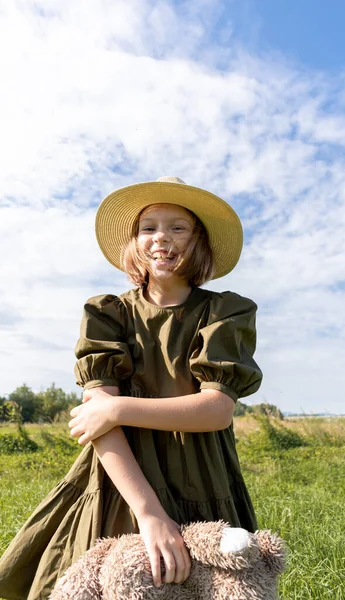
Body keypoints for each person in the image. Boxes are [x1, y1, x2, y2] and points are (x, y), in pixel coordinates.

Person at [0, 176, 262, 599]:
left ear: (198, 241)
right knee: (111, 581)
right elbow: (96, 423)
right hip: (120, 482)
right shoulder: (108, 313)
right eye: (149, 227)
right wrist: (149, 512)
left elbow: (216, 409)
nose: (162, 237)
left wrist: (117, 409)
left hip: (200, 475)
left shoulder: (223, 312)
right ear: (136, 241)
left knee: (206, 584)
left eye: (178, 227)